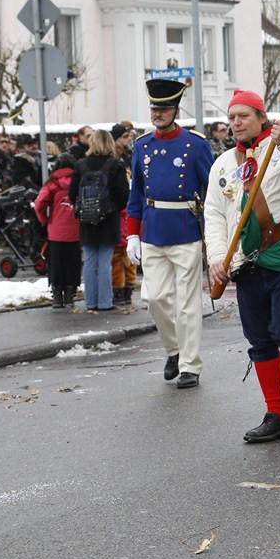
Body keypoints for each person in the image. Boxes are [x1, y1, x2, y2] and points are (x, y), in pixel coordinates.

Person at [206, 88, 280, 443]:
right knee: (259, 339)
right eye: (231, 118)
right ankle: (277, 413)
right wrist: (216, 257)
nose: (236, 123)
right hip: (246, 260)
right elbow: (214, 214)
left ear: (262, 117)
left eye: (243, 116)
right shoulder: (224, 163)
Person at [125, 79, 213, 389]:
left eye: (163, 109)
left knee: (188, 302)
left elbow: (211, 192)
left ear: (175, 110)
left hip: (185, 228)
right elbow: (135, 193)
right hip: (151, 229)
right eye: (153, 108)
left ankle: (190, 364)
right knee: (153, 297)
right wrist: (131, 234)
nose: (157, 114)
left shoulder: (196, 144)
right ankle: (174, 349)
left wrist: (211, 234)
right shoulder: (142, 145)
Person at [69, 129, 129, 311]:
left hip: (87, 219)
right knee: (104, 261)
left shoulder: (80, 165)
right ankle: (104, 302)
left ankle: (90, 302)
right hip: (108, 219)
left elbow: (72, 193)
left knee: (89, 260)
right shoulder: (116, 164)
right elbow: (123, 195)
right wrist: (112, 209)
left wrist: (83, 209)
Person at [34, 153, 81, 308]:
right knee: (72, 261)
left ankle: (57, 294)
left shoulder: (51, 184)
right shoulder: (79, 182)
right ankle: (70, 293)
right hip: (75, 229)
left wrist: (44, 221)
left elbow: (39, 204)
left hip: (55, 230)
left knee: (55, 263)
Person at [110, 123, 136, 307]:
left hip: (127, 210)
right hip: (121, 210)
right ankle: (120, 289)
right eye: (125, 136)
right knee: (118, 257)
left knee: (128, 257)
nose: (128, 140)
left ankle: (126, 289)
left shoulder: (128, 156)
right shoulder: (115, 160)